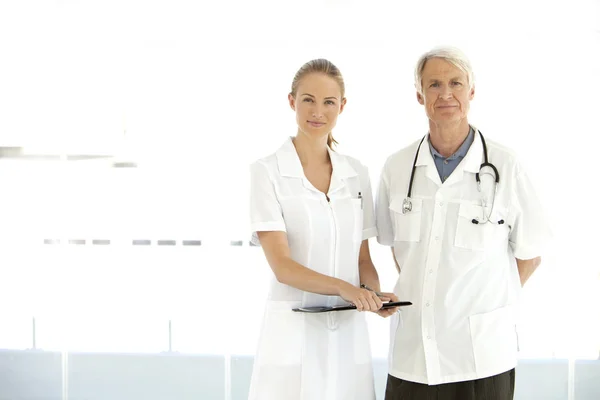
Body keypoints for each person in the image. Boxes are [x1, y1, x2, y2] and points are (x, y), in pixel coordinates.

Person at [375, 47, 552, 400]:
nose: (445, 94)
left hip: (481, 356)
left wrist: (487, 298)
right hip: (413, 355)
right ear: (419, 95)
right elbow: (399, 249)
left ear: (471, 91)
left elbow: (531, 253)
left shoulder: (506, 165)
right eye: (434, 84)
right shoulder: (397, 167)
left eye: (456, 83)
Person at [248, 58, 398, 400]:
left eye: (329, 102)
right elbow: (283, 268)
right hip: (292, 333)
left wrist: (372, 295)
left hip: (346, 336)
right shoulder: (267, 172)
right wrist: (347, 289)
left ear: (342, 106)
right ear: (292, 102)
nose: (318, 111)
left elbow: (362, 260)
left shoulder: (356, 173)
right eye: (308, 100)